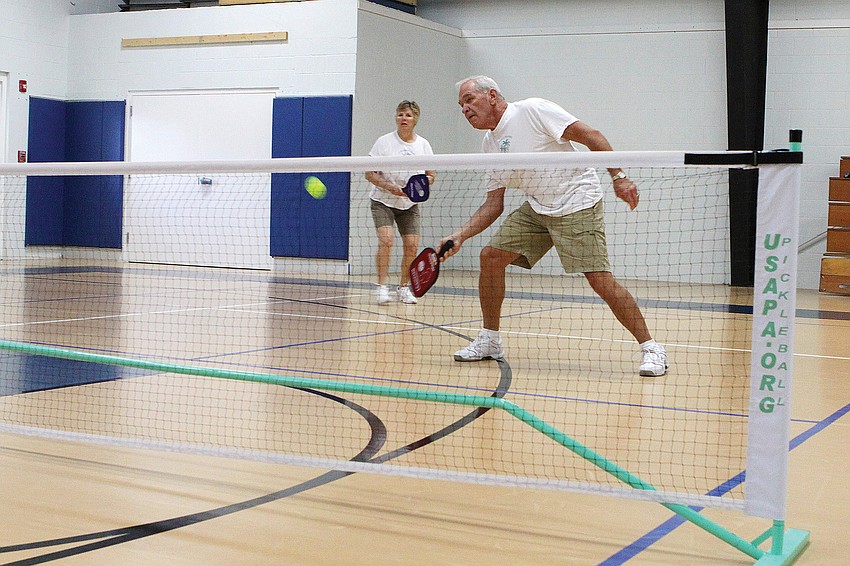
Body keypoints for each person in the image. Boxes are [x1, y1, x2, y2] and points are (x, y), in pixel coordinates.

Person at [441, 76, 667, 377]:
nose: (465, 109)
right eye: (461, 105)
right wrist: (460, 236)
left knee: (599, 279)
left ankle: (652, 347)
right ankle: (490, 340)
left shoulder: (532, 110)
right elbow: (493, 204)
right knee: (490, 257)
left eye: (469, 99)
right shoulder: (490, 144)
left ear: (492, 96)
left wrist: (619, 176)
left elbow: (592, 135)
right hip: (538, 207)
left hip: (576, 201)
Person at [365, 100, 436, 305]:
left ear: (415, 120)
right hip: (383, 201)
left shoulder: (423, 145)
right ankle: (381, 287)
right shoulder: (383, 142)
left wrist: (420, 185)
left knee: (412, 246)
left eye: (408, 115)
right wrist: (391, 188)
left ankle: (404, 288)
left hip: (409, 204)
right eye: (400, 115)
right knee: (387, 240)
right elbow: (369, 174)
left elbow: (431, 175)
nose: (403, 118)